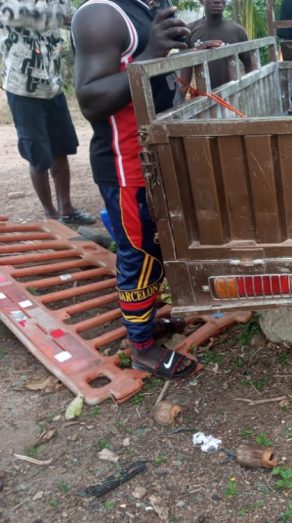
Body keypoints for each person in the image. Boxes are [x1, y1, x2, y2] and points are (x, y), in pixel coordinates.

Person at [72, 0, 196, 379]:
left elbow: (156, 83)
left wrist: (186, 54)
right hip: (126, 167)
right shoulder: (100, 14)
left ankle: (147, 321)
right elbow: (90, 99)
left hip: (154, 159)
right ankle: (141, 347)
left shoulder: (148, 8)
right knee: (139, 252)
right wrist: (151, 53)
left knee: (157, 247)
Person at [0, 0, 95, 225]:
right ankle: (51, 213)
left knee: (61, 150)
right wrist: (63, 17)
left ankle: (67, 209)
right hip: (23, 89)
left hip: (53, 86)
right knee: (38, 155)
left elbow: (77, 17)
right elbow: (20, 15)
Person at [184, 0, 254, 90]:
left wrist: (249, 90)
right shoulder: (189, 30)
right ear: (201, 1)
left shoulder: (238, 31)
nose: (217, 1)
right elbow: (184, 73)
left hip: (233, 94)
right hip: (205, 96)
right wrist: (196, 51)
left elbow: (249, 66)